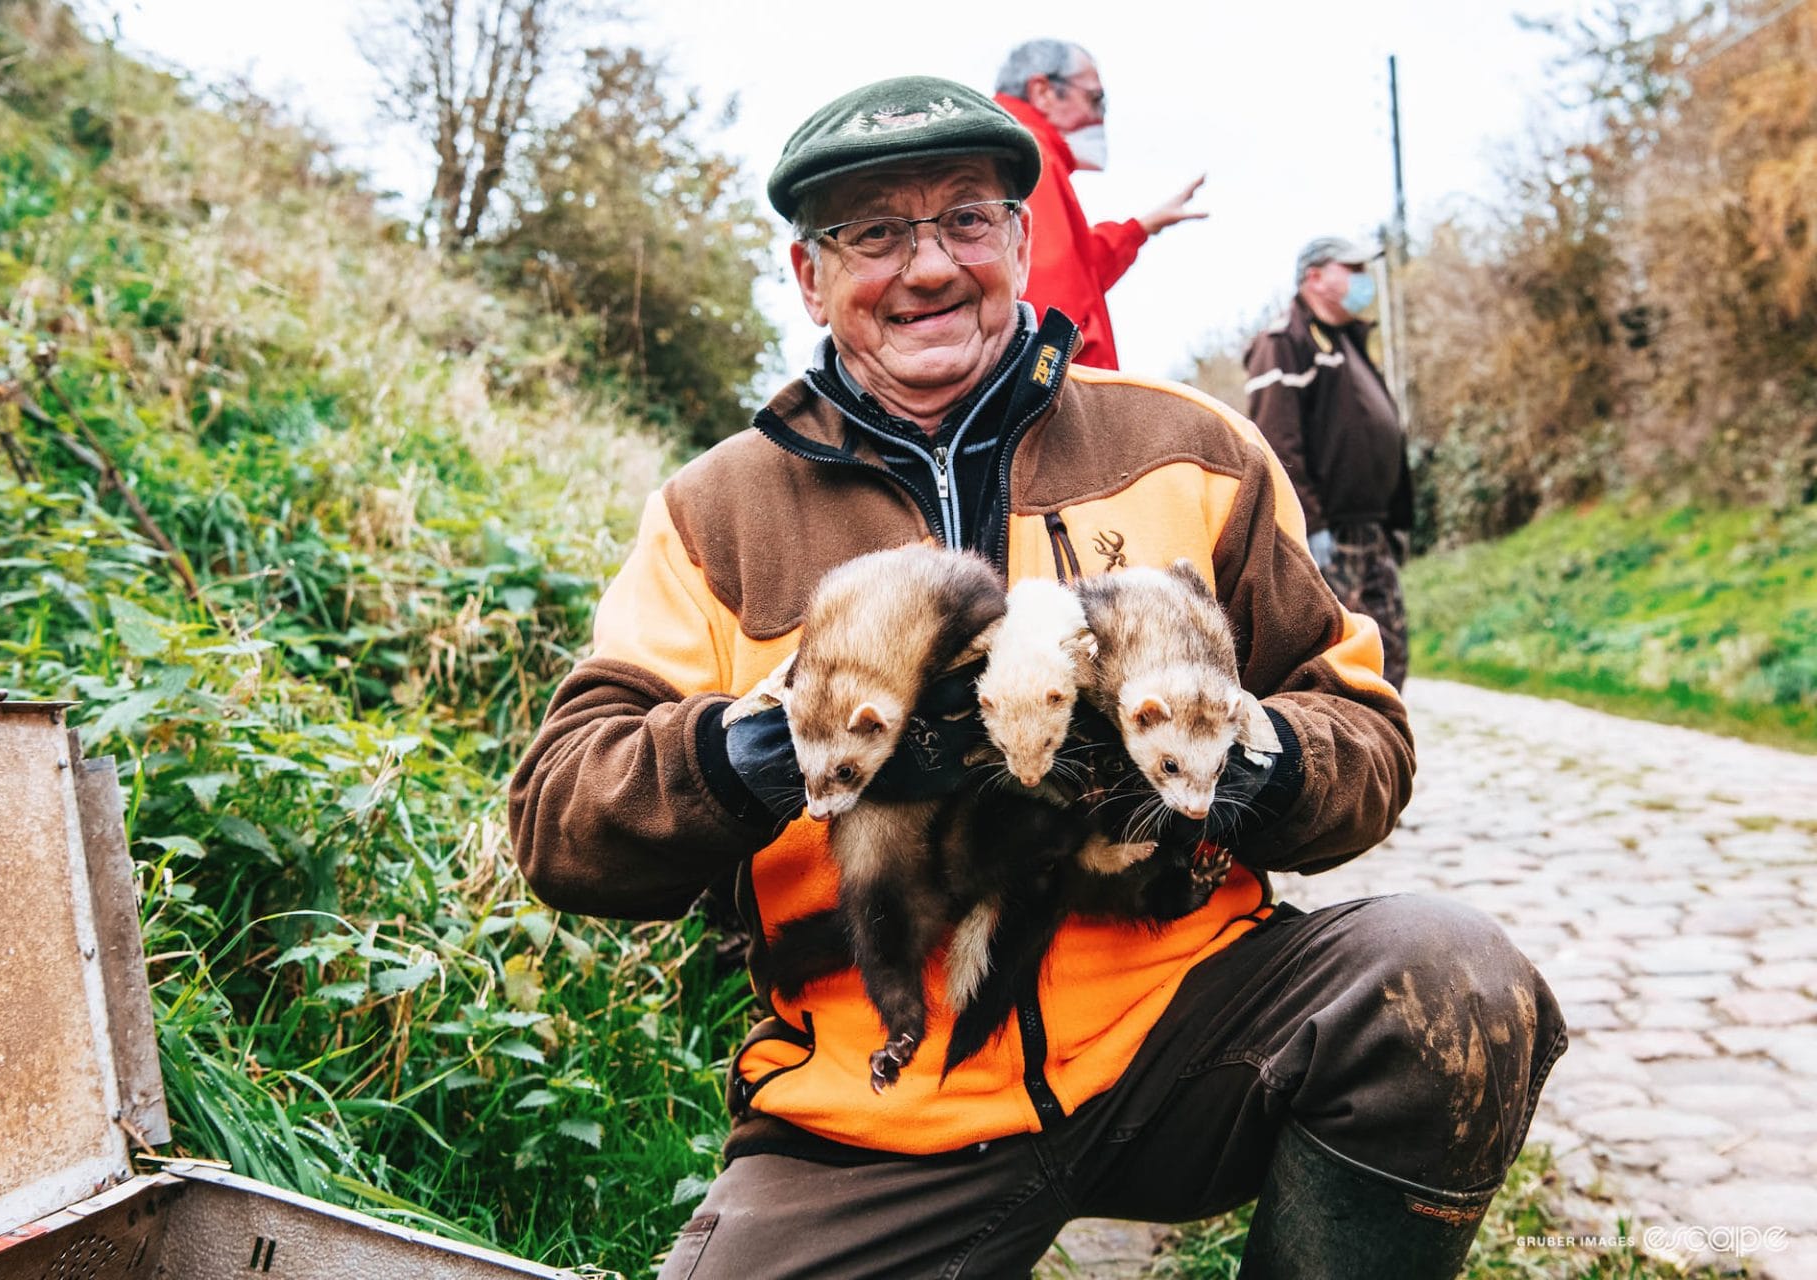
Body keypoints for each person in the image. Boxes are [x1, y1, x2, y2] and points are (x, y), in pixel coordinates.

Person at [509, 75, 1563, 1279]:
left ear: (1019, 238)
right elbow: (560, 821)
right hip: (877, 1101)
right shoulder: (714, 513)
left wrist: (1242, 756)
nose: (928, 266)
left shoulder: (1192, 447)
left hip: (1193, 1026)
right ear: (809, 273)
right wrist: (773, 744)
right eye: (874, 231)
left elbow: (1366, 735)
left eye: (966, 219)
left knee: (1448, 977)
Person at [1244, 236, 1416, 690]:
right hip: (1330, 537)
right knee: (1347, 670)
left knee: (1389, 658)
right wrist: (1311, 526)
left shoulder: (1347, 339)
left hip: (1370, 532)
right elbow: (1276, 443)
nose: (1363, 279)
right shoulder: (1283, 343)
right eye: (1352, 268)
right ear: (1315, 277)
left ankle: (1386, 759)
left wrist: (1396, 521)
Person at [992, 39, 1206, 370]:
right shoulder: (1031, 157)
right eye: (1096, 98)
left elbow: (1078, 271)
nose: (1099, 115)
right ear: (1043, 92)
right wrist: (1097, 399)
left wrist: (1142, 228)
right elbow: (1055, 303)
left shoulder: (1017, 154)